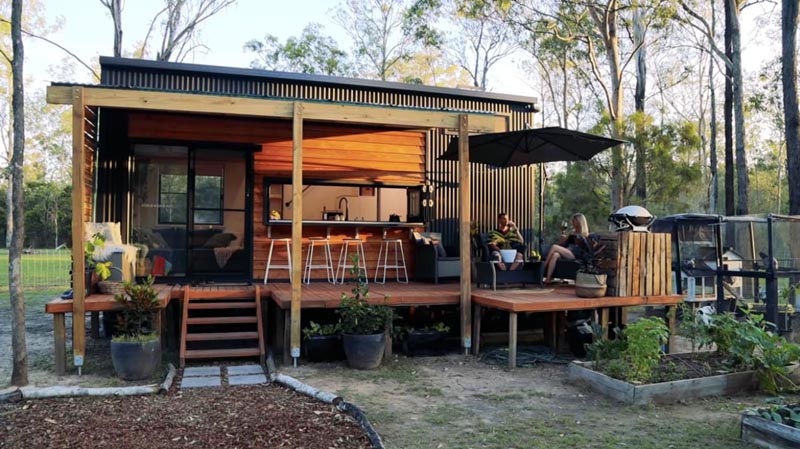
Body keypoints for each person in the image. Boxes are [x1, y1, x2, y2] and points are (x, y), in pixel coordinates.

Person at [542, 213, 589, 285]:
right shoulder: (573, 232)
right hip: (568, 251)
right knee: (555, 254)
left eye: (574, 221)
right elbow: (561, 244)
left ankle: (543, 267)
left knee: (554, 247)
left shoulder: (584, 234)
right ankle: (548, 278)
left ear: (579, 222)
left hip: (575, 254)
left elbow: (583, 248)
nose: (572, 223)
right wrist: (564, 237)